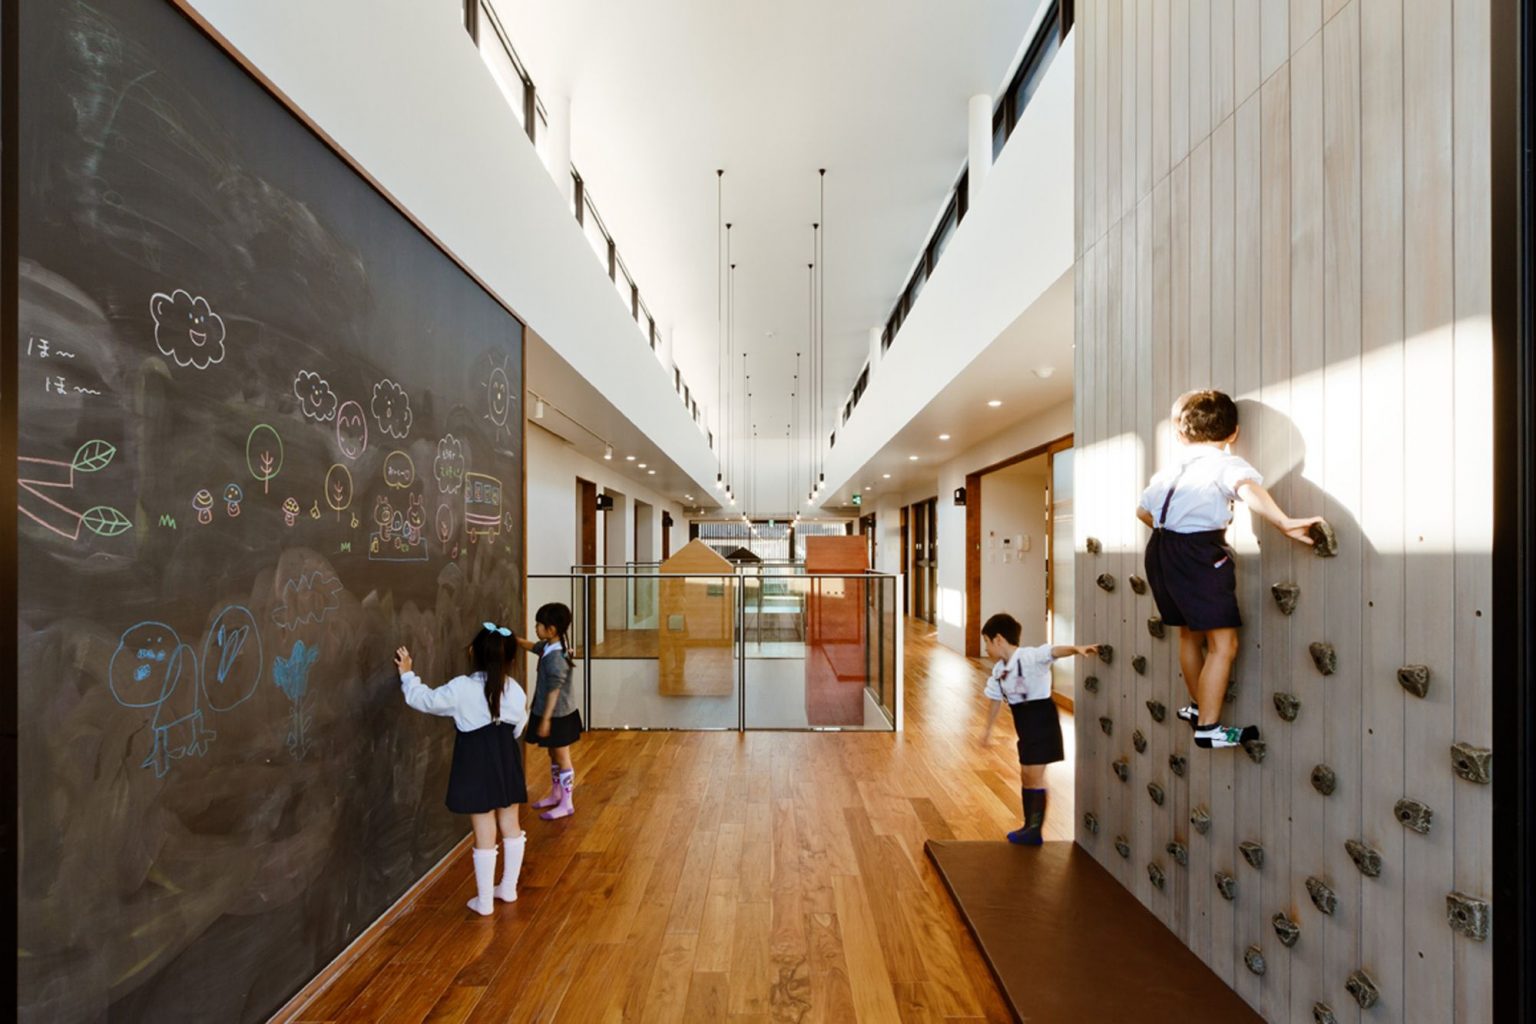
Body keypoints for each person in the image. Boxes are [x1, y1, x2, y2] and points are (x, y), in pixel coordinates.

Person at [1136, 389, 1324, 749]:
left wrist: (1174, 533)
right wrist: (1284, 523)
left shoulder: (1169, 470)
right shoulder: (1225, 464)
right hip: (1197, 553)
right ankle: (1209, 728)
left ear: (1181, 434)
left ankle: (1198, 708)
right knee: (1224, 644)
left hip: (1160, 550)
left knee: (1189, 635)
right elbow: (1247, 489)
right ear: (1234, 433)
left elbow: (1143, 512)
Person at [395, 623, 528, 916]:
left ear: (472, 653)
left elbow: (426, 701)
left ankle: (485, 901)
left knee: (484, 827)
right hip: (507, 758)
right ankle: (508, 888)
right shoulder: (516, 690)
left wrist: (407, 675)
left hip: (475, 761)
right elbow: (519, 727)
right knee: (511, 823)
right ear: (510, 658)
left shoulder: (462, 688)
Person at [979, 612, 1100, 845]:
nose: (986, 648)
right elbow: (994, 700)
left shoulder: (1030, 657)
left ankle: (1034, 831)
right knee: (1026, 775)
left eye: (986, 641)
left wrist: (1076, 649)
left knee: (1035, 776)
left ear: (999, 639)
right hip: (1024, 724)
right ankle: (1028, 825)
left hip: (1042, 721)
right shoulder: (999, 670)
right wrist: (987, 730)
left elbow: (1053, 651)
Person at [519, 602, 582, 821]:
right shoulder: (551, 646)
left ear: (552, 629)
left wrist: (545, 720)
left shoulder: (556, 657)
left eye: (539, 624)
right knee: (553, 753)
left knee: (562, 756)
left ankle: (567, 802)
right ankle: (556, 794)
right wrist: (512, 638)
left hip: (558, 715)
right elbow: (533, 646)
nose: (535, 628)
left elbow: (554, 691)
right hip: (550, 712)